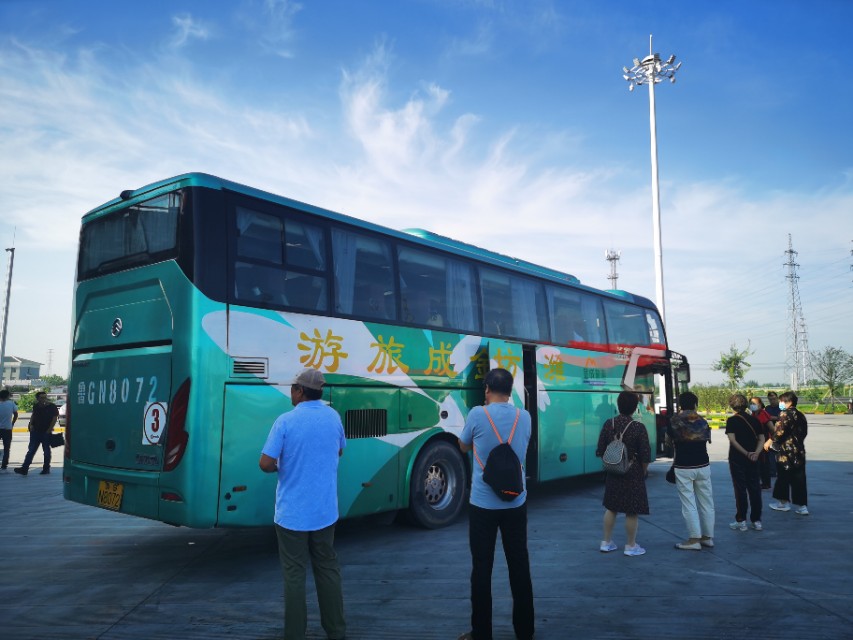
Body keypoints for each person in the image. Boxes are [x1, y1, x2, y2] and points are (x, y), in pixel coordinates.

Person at [259, 369, 347, 640]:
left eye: (293, 387)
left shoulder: (285, 421)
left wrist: (282, 466)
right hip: (325, 512)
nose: (291, 392)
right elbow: (339, 449)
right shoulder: (333, 417)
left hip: (292, 515)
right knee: (327, 568)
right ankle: (336, 630)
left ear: (300, 391)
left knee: (294, 575)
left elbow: (265, 463)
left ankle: (295, 634)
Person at [457, 367, 534, 640]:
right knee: (519, 566)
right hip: (515, 503)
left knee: (482, 569)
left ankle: (481, 633)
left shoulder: (477, 414)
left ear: (487, 389)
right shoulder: (524, 417)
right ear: (510, 391)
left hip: (483, 506)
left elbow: (463, 445)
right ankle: (525, 631)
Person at [595, 391, 651, 557]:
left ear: (618, 405)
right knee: (631, 511)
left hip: (613, 472)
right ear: (634, 407)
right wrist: (643, 471)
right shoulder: (638, 427)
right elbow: (645, 454)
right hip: (632, 472)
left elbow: (600, 449)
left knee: (611, 507)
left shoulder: (609, 423)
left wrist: (612, 464)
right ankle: (630, 545)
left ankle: (606, 542)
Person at [667, 391, 715, 550]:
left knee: (688, 503)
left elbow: (668, 441)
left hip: (684, 466)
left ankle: (694, 540)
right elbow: (707, 439)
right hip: (703, 465)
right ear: (695, 404)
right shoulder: (703, 420)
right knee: (707, 502)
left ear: (680, 404)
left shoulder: (674, 420)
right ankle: (707, 537)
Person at [724, 393, 764, 531]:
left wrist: (746, 453)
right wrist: (756, 453)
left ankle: (741, 520)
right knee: (755, 489)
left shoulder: (732, 421)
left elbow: (733, 440)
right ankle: (756, 520)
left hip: (737, 459)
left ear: (732, 406)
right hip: (754, 459)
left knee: (740, 489)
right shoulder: (754, 420)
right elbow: (761, 439)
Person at [768, 391, 809, 515]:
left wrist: (771, 441)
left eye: (782, 401)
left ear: (789, 402)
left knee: (783, 477)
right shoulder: (801, 415)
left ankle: (783, 503)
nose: (780, 403)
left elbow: (779, 432)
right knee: (799, 479)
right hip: (799, 451)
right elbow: (804, 432)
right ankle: (802, 506)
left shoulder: (785, 414)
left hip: (785, 452)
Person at [15, 391, 59, 476]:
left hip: (46, 432)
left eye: (45, 397)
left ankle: (46, 468)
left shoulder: (52, 406)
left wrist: (49, 430)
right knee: (31, 450)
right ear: (37, 399)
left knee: (46, 451)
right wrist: (31, 425)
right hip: (35, 432)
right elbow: (33, 415)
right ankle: (24, 469)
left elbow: (54, 418)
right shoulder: (36, 406)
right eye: (42, 398)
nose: (44, 399)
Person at [749, 396, 774, 489]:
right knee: (757, 463)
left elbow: (773, 430)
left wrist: (769, 441)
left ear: (760, 404)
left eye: (754, 404)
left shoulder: (763, 414)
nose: (752, 405)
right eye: (751, 404)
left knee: (764, 464)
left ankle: (766, 483)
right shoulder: (753, 414)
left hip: (764, 443)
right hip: (756, 443)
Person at [0, 389, 19, 471]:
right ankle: (4, 465)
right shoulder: (11, 403)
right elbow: (16, 414)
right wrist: (12, 423)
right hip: (7, 428)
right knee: (6, 448)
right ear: (7, 396)